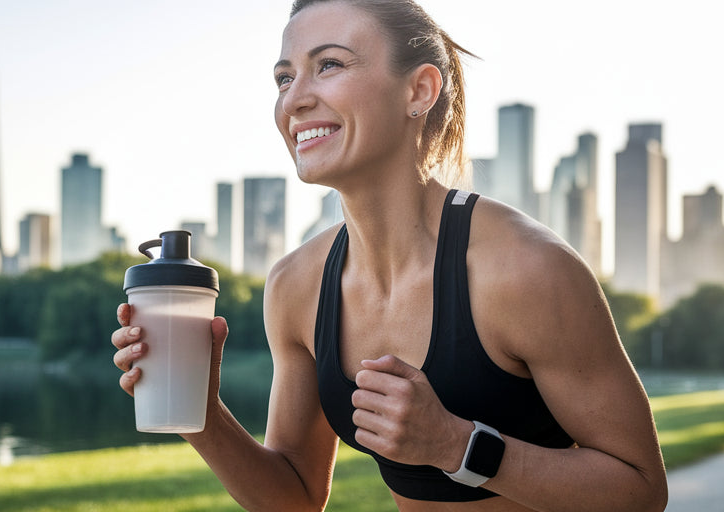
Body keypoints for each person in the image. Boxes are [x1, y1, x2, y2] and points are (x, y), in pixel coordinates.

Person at [111, 0, 667, 509]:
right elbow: (296, 498)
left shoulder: (524, 269)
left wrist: (458, 446)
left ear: (420, 91)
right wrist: (200, 412)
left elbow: (641, 490)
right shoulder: (295, 287)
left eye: (329, 65)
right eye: (284, 77)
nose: (295, 97)